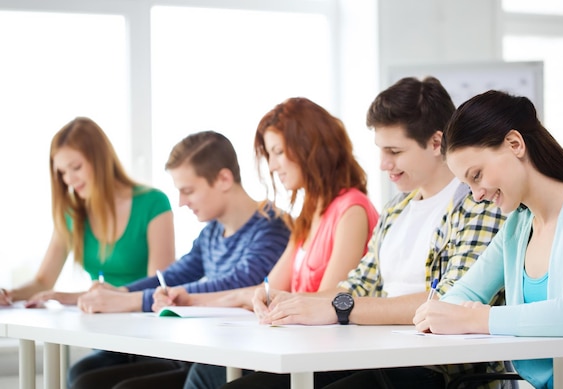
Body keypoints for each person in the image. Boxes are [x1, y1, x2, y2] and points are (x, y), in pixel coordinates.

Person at [216, 77, 508, 389]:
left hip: (436, 370)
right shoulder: (396, 210)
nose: (384, 164)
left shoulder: (480, 202)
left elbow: (451, 302)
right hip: (377, 357)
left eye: (394, 151)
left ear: (437, 143)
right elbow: (357, 286)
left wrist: (341, 308)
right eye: (381, 151)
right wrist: (295, 303)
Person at [158, 97, 379, 389]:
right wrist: (191, 300)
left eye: (278, 152)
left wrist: (273, 298)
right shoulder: (308, 216)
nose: (273, 166)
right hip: (298, 347)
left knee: (208, 375)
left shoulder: (352, 209)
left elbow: (331, 299)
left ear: (309, 148)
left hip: (325, 357)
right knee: (206, 372)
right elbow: (266, 289)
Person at [413, 90, 563, 389]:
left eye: (477, 175)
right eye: (467, 184)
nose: (477, 194)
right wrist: (442, 313)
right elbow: (459, 296)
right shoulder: (518, 226)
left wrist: (477, 318)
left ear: (515, 144)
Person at [69, 130, 292, 389]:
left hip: (246, 360)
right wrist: (121, 291)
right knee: (87, 378)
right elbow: (174, 275)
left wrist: (132, 300)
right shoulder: (211, 233)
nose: (181, 202)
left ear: (223, 179)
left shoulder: (272, 225)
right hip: (210, 353)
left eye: (188, 191)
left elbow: (239, 282)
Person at [0, 117, 175, 307]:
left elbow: (158, 288)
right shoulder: (72, 213)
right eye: (62, 172)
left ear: (100, 159)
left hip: (143, 322)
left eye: (76, 167)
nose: (69, 179)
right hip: (95, 319)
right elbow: (43, 281)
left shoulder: (153, 203)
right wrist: (9, 293)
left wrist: (70, 297)